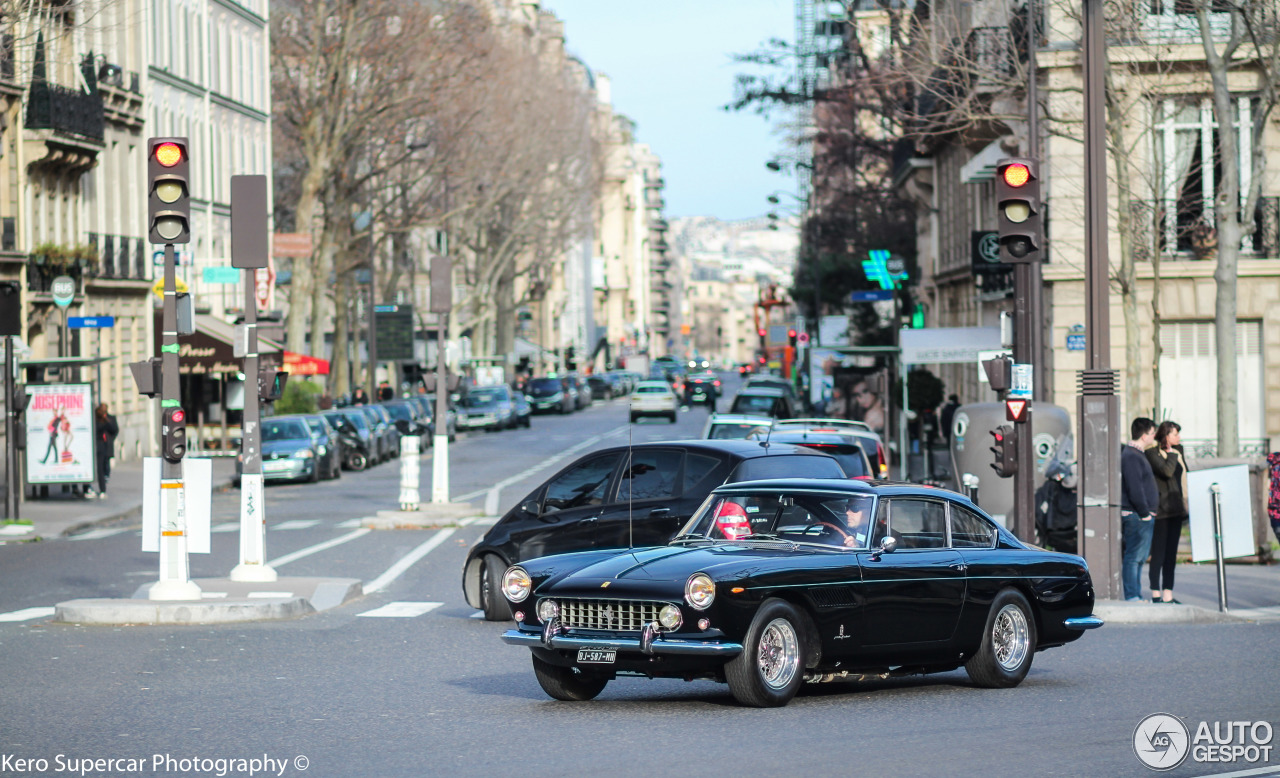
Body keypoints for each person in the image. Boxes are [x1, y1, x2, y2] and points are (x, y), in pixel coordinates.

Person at [1145, 421, 1188, 603]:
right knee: (1159, 554)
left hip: (1176, 509)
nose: (1179, 438)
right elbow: (1167, 471)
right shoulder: (1151, 453)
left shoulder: (1179, 452)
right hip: (1161, 510)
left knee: (1171, 554)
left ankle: (1168, 593)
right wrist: (1171, 454)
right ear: (1166, 435)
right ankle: (1155, 593)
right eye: (1175, 434)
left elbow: (1184, 478)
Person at [1120, 417, 1160, 602]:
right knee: (1133, 557)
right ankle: (1132, 595)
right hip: (1137, 515)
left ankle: (1135, 594)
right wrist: (1144, 513)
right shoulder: (1132, 456)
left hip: (1140, 514)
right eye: (1152, 433)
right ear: (1144, 435)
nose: (1154, 437)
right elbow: (1134, 487)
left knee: (1139, 557)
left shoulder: (1135, 454)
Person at [92, 404, 119, 499]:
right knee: (100, 468)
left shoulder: (103, 420)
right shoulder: (98, 421)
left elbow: (114, 430)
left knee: (103, 465)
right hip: (99, 446)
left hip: (102, 446)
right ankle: (102, 488)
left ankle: (102, 484)